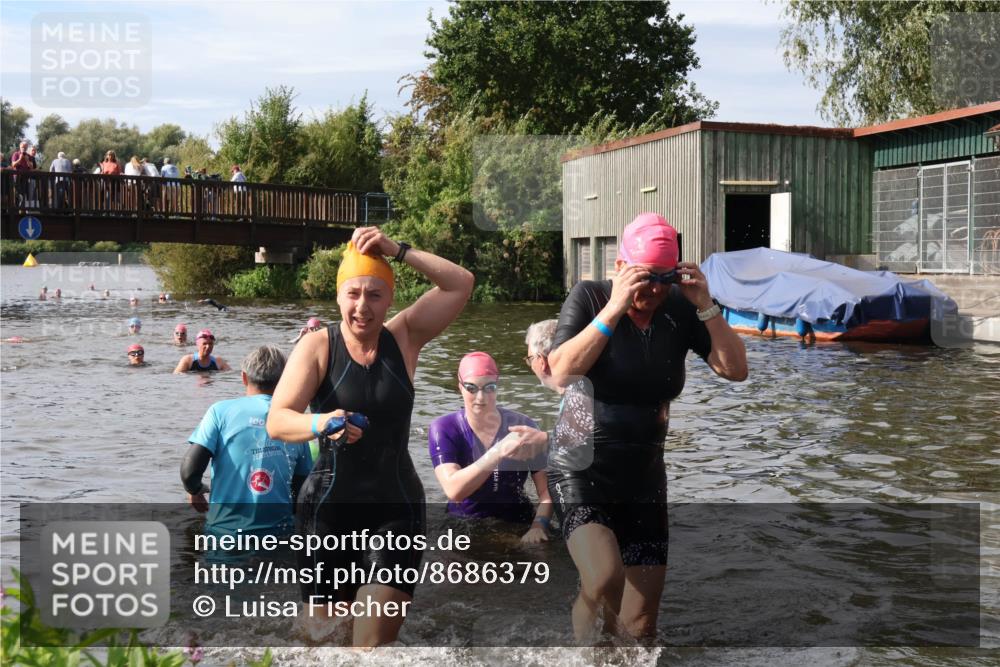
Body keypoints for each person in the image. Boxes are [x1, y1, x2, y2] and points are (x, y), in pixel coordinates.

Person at [545, 212, 748, 643]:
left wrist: (705, 304)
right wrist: (615, 309)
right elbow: (561, 371)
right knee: (603, 579)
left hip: (643, 478)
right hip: (581, 470)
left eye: (664, 278)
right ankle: (583, 655)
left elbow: (736, 370)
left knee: (641, 624)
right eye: (644, 277)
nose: (654, 290)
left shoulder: (678, 308)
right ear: (620, 269)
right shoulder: (590, 297)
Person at [266, 226, 473, 647]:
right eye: (354, 294)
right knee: (324, 644)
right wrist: (320, 423)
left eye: (375, 295)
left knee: (370, 647)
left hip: (395, 509)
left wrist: (397, 249)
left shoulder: (405, 336)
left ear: (389, 299)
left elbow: (460, 283)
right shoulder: (318, 346)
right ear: (339, 296)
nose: (363, 306)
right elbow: (278, 420)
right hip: (327, 511)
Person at [180, 346, 312, 543]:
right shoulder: (295, 421)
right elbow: (302, 490)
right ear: (284, 381)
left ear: (244, 377)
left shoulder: (220, 412)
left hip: (225, 533)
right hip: (278, 535)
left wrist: (195, 490)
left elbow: (189, 471)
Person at [428, 352, 552, 543]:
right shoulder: (444, 428)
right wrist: (499, 449)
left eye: (489, 387)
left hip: (518, 523)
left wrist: (539, 526)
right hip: (463, 524)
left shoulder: (522, 426)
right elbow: (454, 490)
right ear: (459, 386)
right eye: (471, 388)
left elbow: (546, 492)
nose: (480, 397)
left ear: (497, 386)